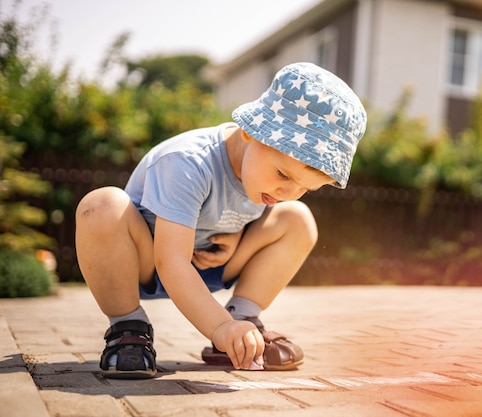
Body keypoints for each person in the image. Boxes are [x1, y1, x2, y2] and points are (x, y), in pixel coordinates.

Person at [75, 62, 367, 379]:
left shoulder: (266, 180)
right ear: (250, 132)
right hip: (146, 261)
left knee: (297, 220)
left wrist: (237, 238)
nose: (288, 192)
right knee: (101, 206)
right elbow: (170, 260)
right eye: (282, 174)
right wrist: (220, 327)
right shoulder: (188, 162)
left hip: (208, 263)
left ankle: (243, 323)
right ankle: (127, 327)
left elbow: (257, 212)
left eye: (306, 188)